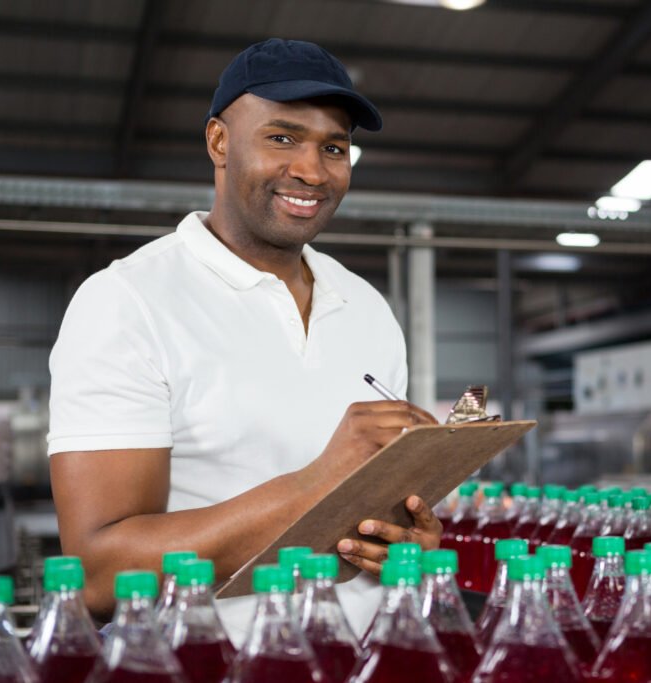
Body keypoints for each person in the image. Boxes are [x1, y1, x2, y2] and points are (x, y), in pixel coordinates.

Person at [47, 38, 442, 645]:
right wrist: (317, 481)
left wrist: (405, 539)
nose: (312, 171)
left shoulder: (365, 306)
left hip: (362, 657)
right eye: (282, 138)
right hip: (205, 662)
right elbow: (99, 576)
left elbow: (371, 514)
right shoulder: (129, 302)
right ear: (219, 143)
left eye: (334, 148)